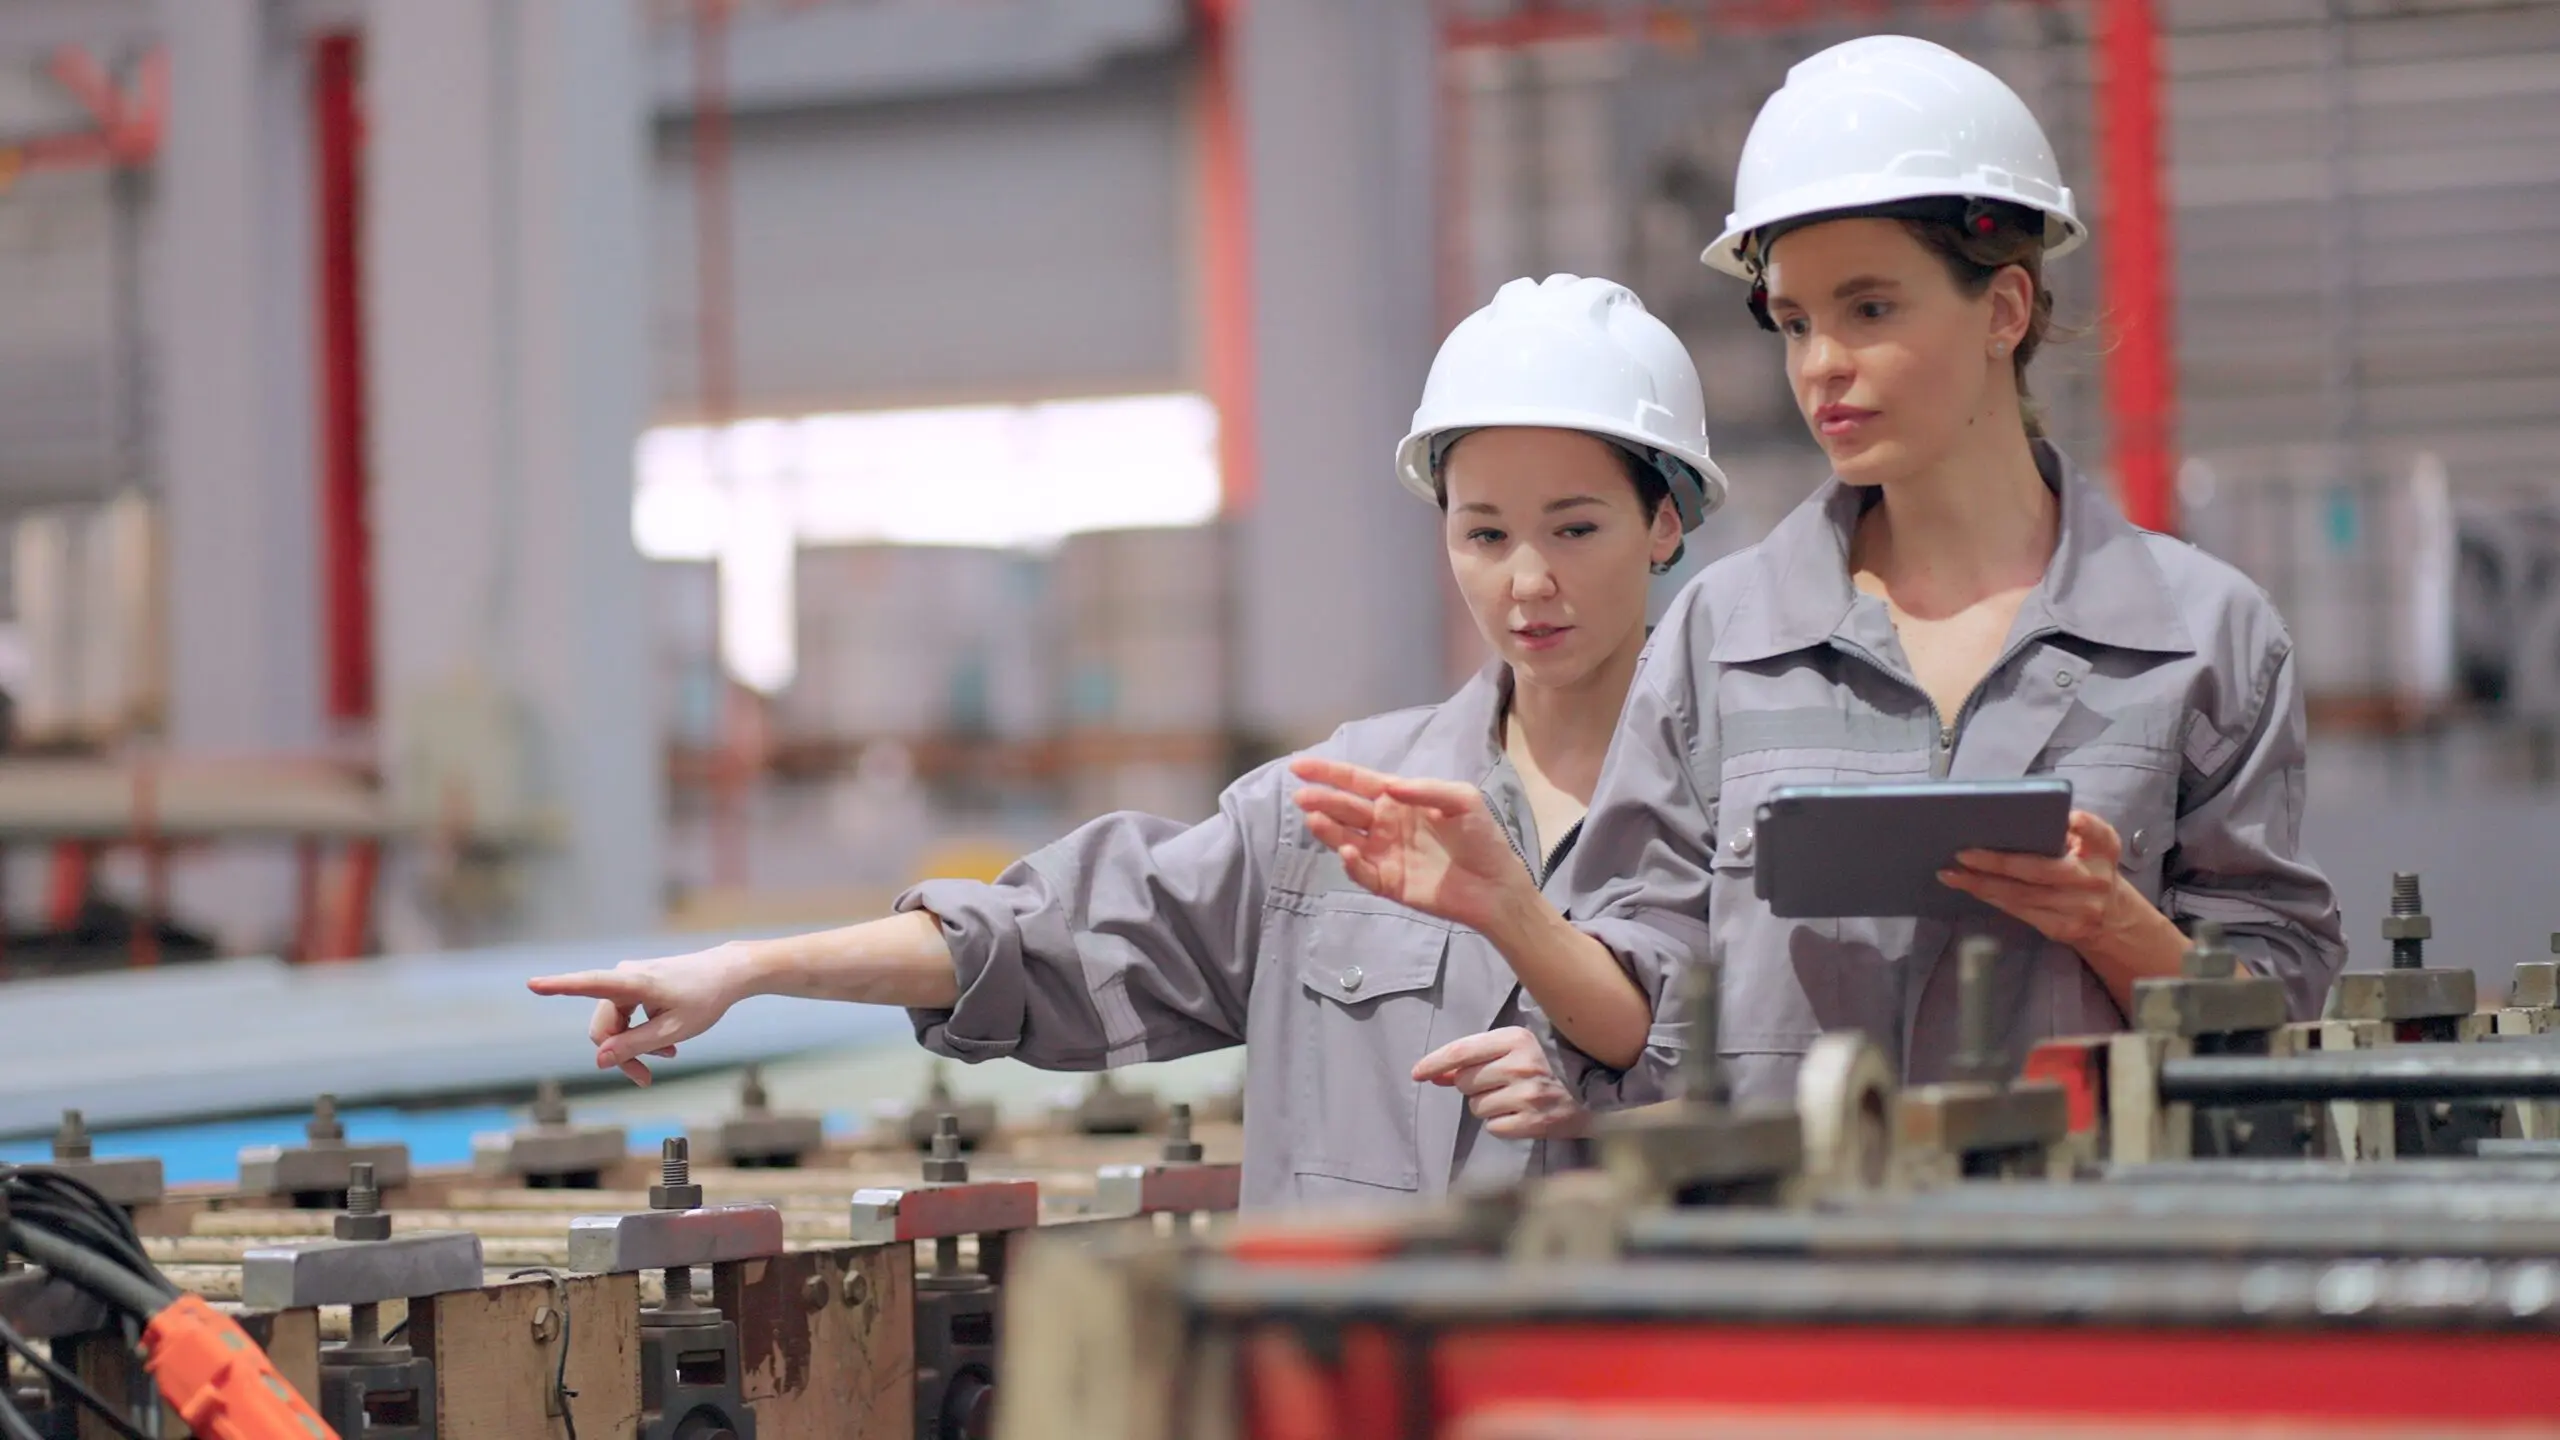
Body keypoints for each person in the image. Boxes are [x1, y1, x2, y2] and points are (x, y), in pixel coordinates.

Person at [1291, 35, 2346, 1112]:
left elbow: (2278, 1018)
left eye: (1869, 310)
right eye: (1794, 323)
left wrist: (2108, 919)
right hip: (1787, 1262)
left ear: (2004, 309)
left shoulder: (2199, 638)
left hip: (2079, 1254)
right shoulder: (1724, 638)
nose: (1819, 366)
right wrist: (1515, 913)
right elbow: (1646, 1023)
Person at [528, 274, 1731, 1207]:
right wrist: (749, 967)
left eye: (1575, 528)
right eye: (1482, 534)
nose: (1527, 582)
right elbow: (1044, 941)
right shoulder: (1341, 815)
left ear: (1663, 522)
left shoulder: (1740, 809)